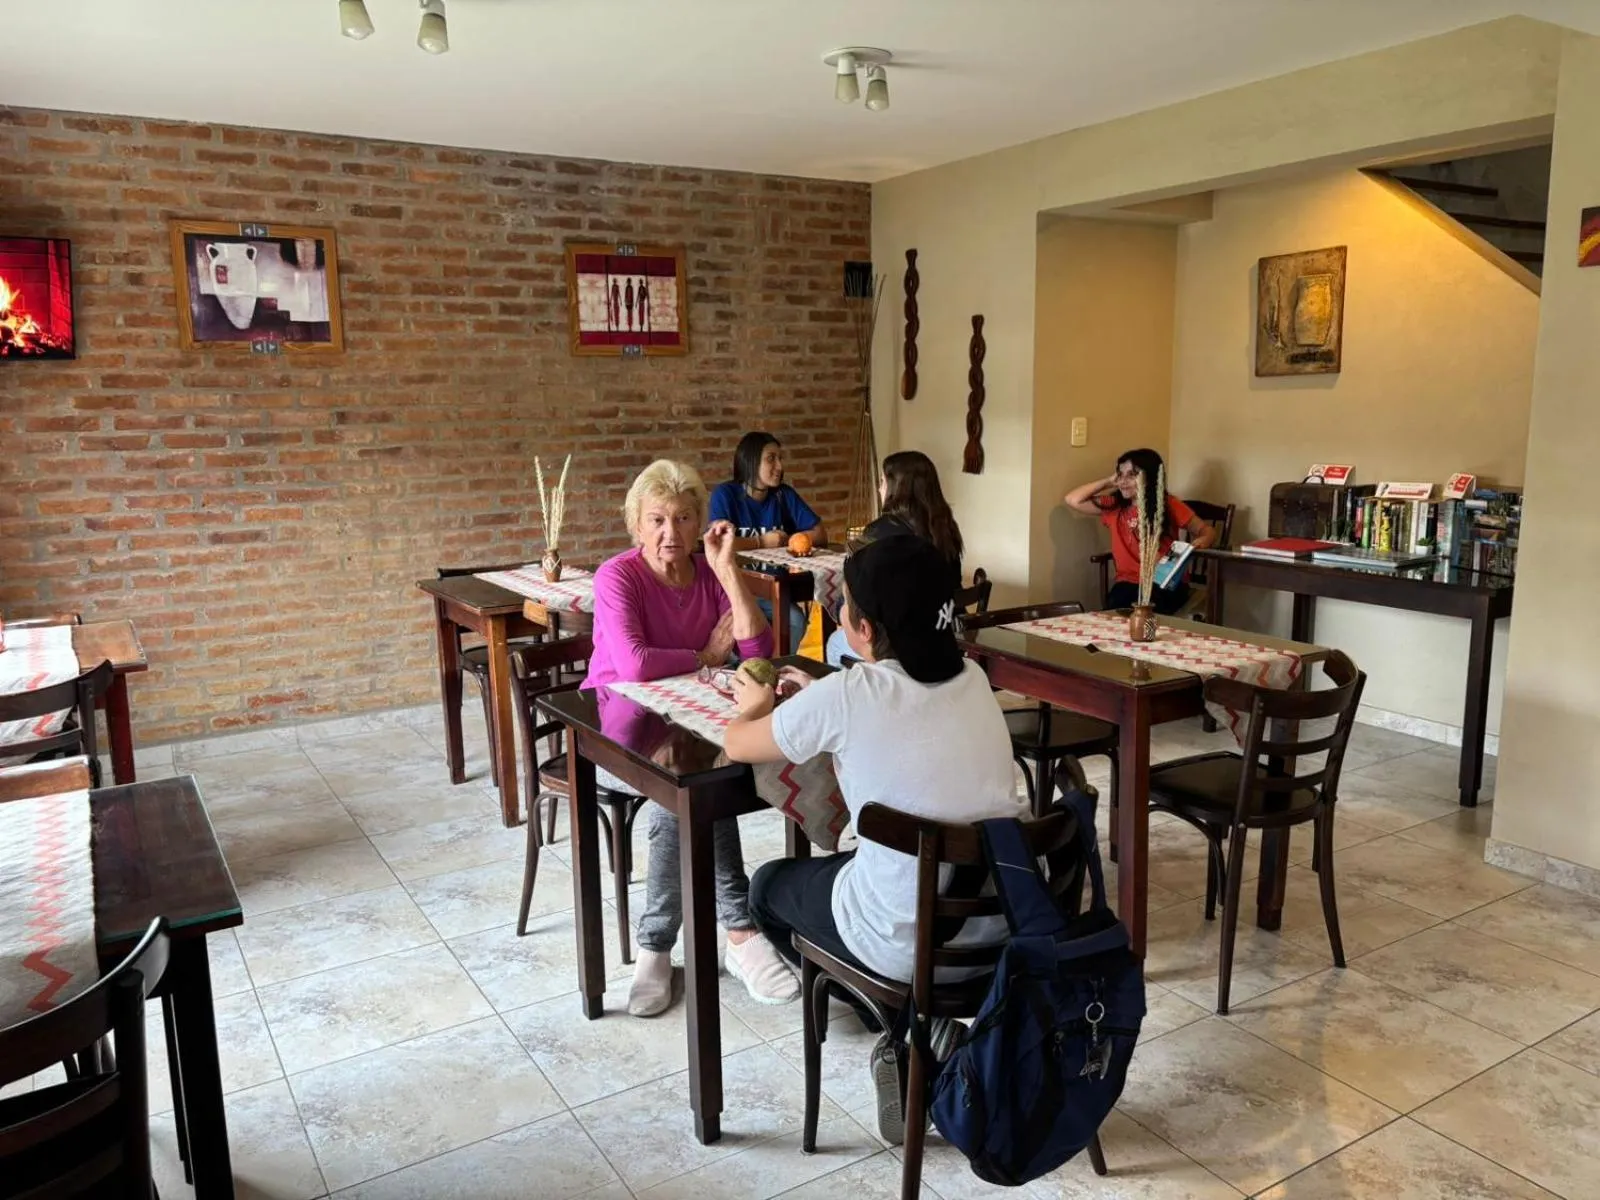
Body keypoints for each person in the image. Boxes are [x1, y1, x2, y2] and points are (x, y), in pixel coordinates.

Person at [724, 536, 1022, 1137]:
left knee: (767, 888)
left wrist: (755, 704)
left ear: (859, 625)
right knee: (854, 872)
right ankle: (920, 1023)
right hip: (996, 928)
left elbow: (737, 744)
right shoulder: (973, 679)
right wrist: (823, 701)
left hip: (902, 938)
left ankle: (900, 1022)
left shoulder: (851, 695)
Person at [585, 459, 800, 1016]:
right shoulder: (618, 576)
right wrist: (705, 656)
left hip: (694, 724)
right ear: (636, 524)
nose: (670, 533)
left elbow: (759, 654)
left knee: (702, 776)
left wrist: (728, 573)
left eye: (683, 519)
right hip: (621, 728)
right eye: (656, 519)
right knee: (681, 796)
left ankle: (663, 948)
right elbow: (632, 664)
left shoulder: (706, 573)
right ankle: (729, 933)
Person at [825, 450, 964, 666]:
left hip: (898, 645)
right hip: (945, 634)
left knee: (835, 643)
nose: (879, 487)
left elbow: (858, 600)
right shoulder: (946, 529)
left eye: (882, 481)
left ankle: (857, 696)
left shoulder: (878, 533)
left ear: (896, 488)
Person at [708, 432, 828, 653]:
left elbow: (820, 532)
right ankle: (766, 670)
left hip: (775, 587)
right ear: (750, 461)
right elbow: (717, 543)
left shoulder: (783, 495)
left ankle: (774, 672)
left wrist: (797, 540)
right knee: (792, 618)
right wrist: (762, 541)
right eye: (771, 458)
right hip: (733, 588)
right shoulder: (725, 495)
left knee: (794, 618)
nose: (780, 466)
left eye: (780, 458)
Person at [1064, 447, 1215, 615]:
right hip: (1127, 582)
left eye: (1132, 475)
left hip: (1162, 582)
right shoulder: (1114, 506)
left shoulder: (1167, 503)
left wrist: (1202, 541)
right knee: (1117, 607)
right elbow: (1073, 499)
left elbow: (1205, 529)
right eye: (1120, 474)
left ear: (1150, 477)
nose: (1123, 481)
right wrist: (1108, 481)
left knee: (1146, 610)